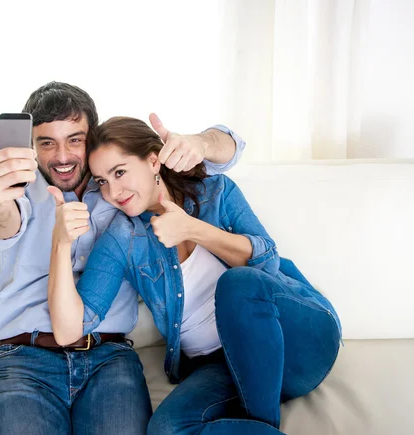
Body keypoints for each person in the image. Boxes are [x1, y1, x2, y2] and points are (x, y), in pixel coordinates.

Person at [0, 82, 245, 435]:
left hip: (108, 358)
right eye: (47, 142)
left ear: (92, 139)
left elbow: (231, 149)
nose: (63, 156)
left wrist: (200, 143)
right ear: (31, 147)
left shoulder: (121, 187)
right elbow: (0, 224)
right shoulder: (11, 192)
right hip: (23, 359)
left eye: (75, 139)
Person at [47, 116, 342, 435]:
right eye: (102, 181)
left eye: (119, 172)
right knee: (166, 428)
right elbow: (69, 330)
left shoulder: (214, 191)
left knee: (236, 284)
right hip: (224, 368)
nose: (113, 191)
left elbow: (265, 263)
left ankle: (261, 424)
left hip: (297, 341)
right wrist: (61, 243)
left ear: (152, 160)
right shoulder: (123, 236)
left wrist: (193, 229)